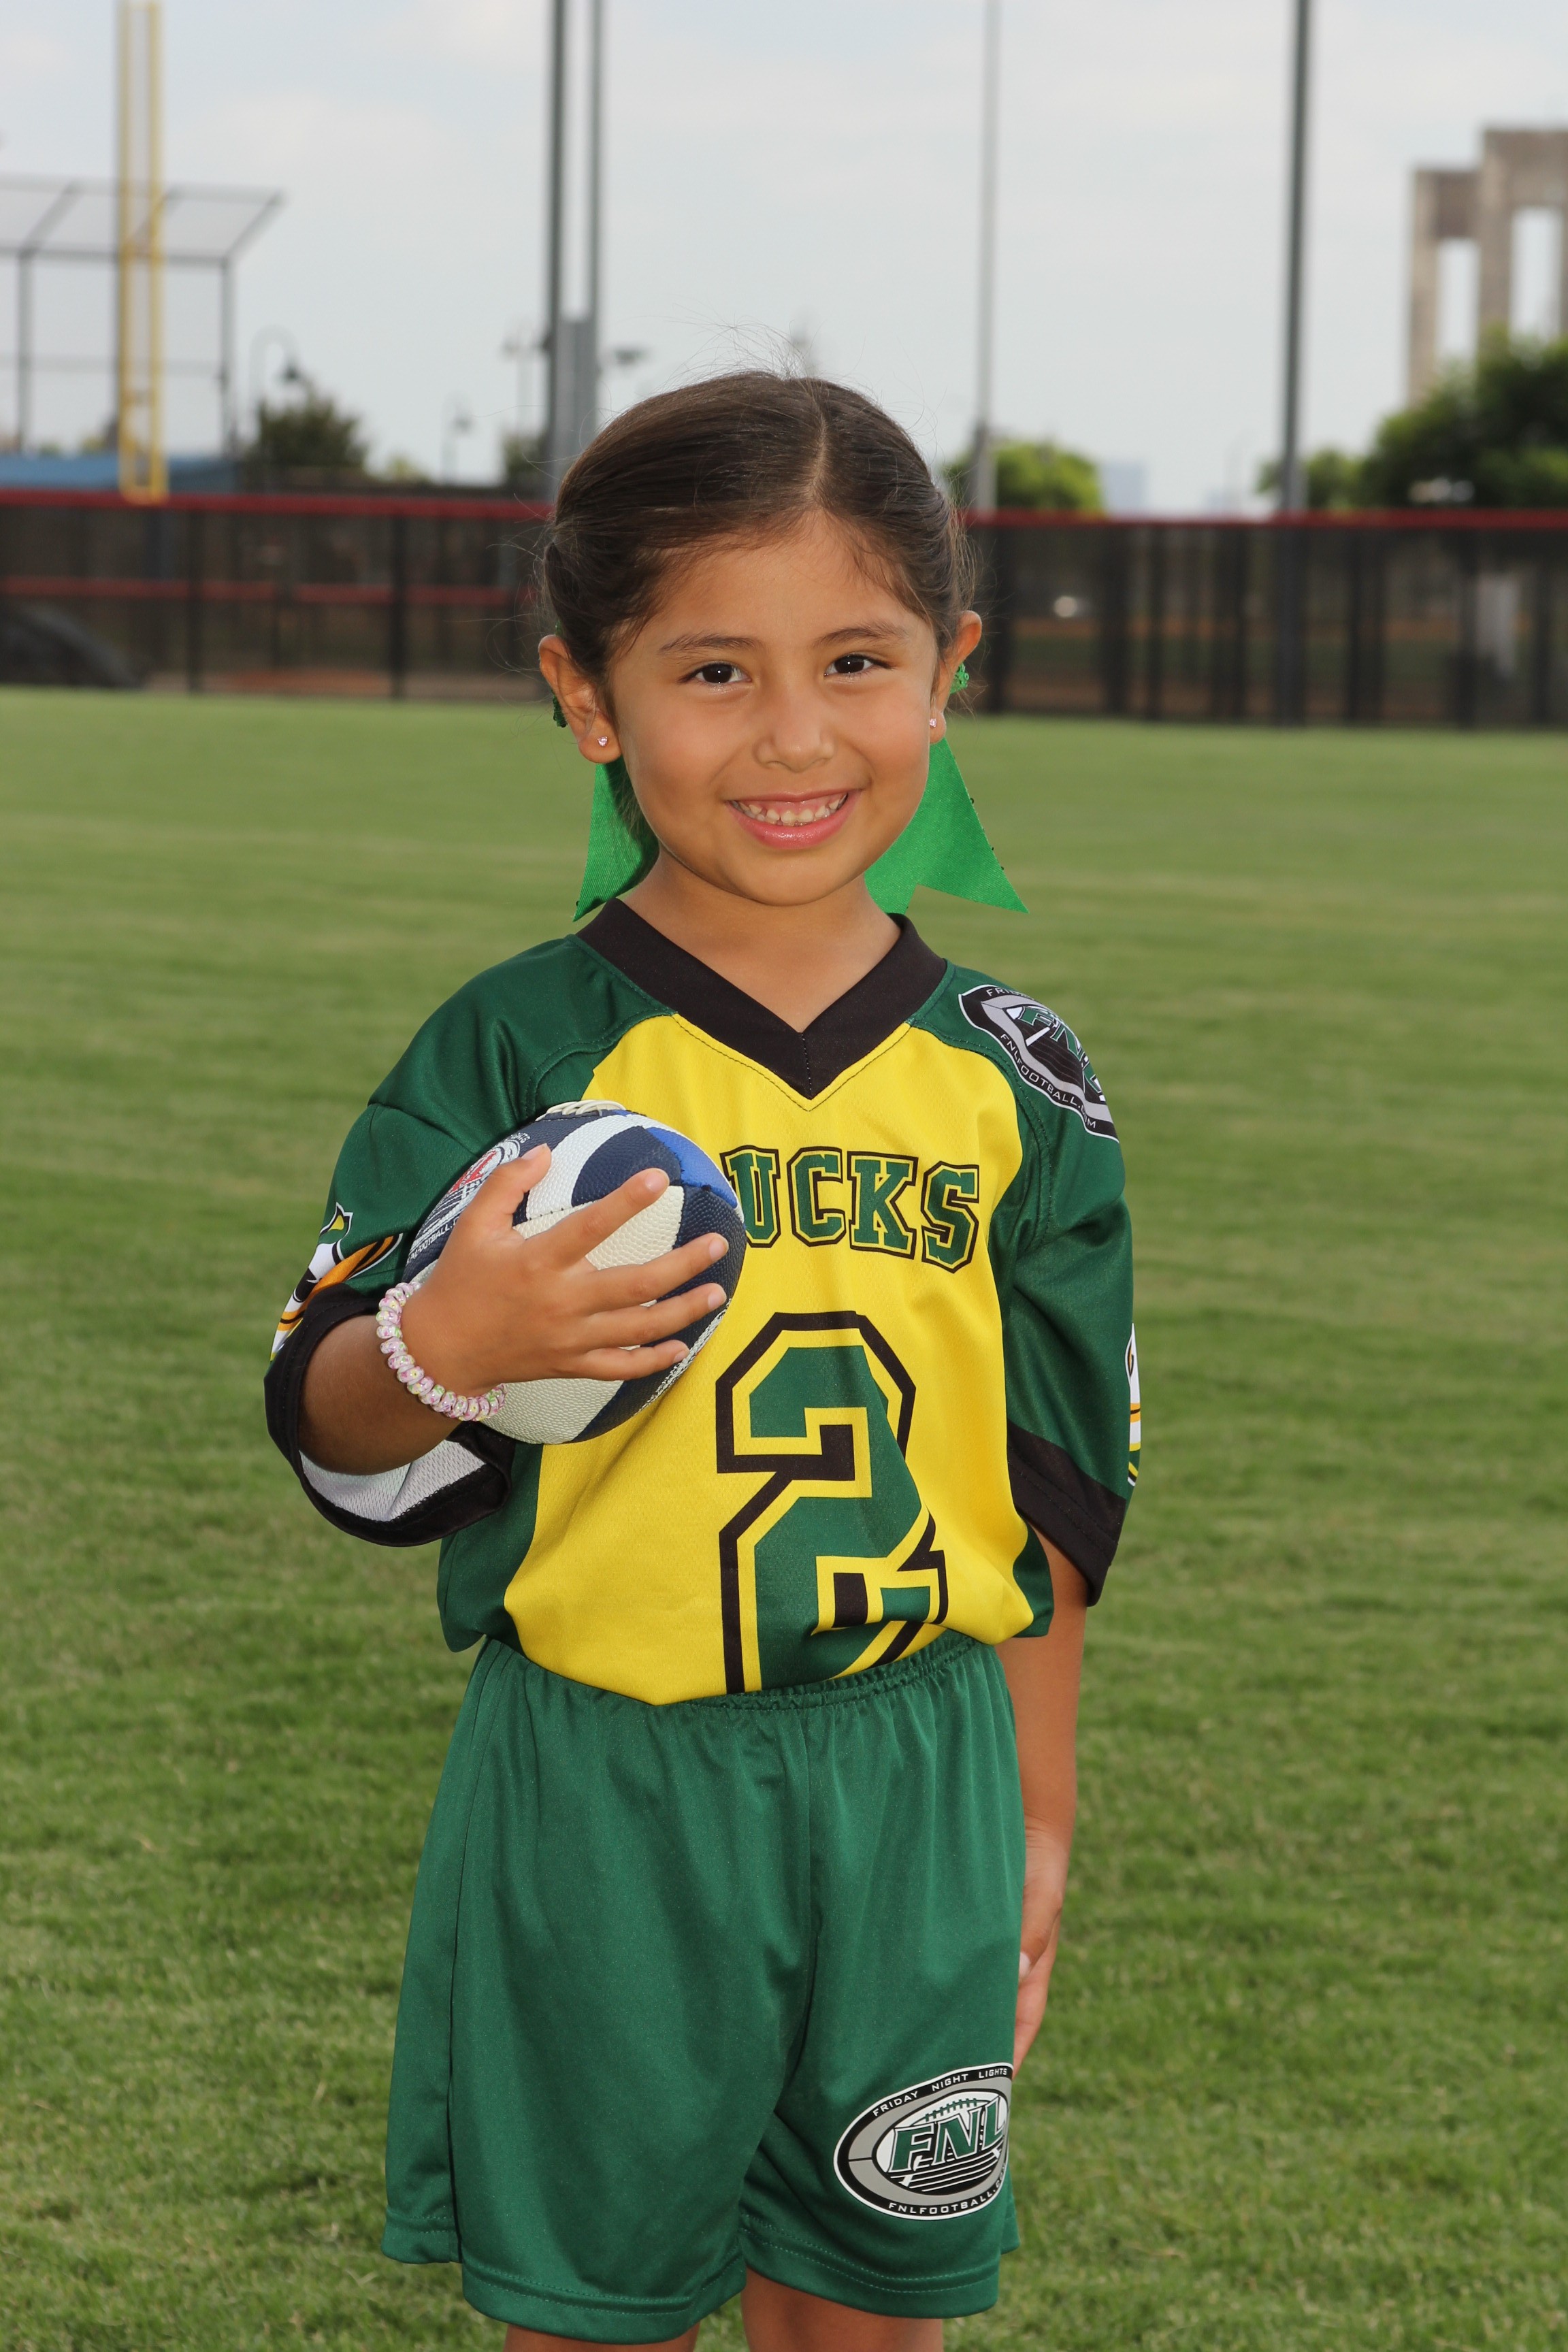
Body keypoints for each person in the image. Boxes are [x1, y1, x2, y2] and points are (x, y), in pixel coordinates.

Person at [265, 372, 1138, 2352]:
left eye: (857, 661)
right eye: (716, 670)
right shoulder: (518, 1051)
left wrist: (1038, 1811)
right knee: (593, 2319)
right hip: (607, 1780)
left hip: (920, 1771)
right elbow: (329, 1422)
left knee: (869, 2319)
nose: (794, 734)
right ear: (589, 698)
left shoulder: (1020, 1078)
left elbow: (1056, 1487)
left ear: (951, 675)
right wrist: (439, 1341)